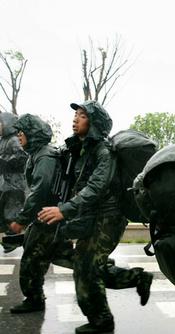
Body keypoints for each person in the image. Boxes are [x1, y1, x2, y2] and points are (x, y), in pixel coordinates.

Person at [37, 101, 153, 334]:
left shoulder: (103, 151)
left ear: (94, 123)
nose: (75, 119)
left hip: (109, 218)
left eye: (82, 115)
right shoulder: (81, 149)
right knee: (87, 266)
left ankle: (102, 322)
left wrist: (65, 210)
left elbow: (96, 187)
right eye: (75, 115)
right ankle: (137, 279)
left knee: (87, 268)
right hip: (90, 217)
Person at [8, 114, 75, 313]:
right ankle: (108, 269)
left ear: (32, 133)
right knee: (67, 257)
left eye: (22, 132)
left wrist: (21, 219)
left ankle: (34, 300)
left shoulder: (44, 155)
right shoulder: (37, 153)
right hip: (47, 217)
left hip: (47, 218)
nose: (19, 136)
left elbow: (41, 189)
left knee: (31, 260)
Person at [0, 112, 28, 252]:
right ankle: (10, 239)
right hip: (5, 182)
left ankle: (14, 239)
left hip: (14, 184)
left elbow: (21, 156)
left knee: (11, 212)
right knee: (4, 212)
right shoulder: (2, 140)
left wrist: (5, 161)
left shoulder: (14, 140)